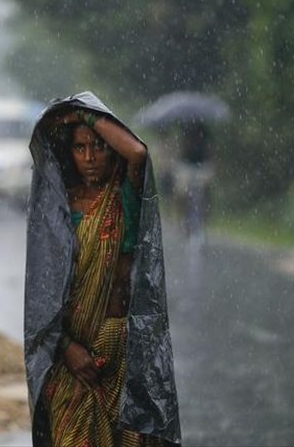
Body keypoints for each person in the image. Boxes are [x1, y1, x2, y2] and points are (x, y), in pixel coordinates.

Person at [25, 92, 181, 447]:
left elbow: (138, 152)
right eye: (80, 148)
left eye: (99, 147)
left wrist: (84, 115)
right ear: (70, 153)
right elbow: (44, 295)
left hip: (118, 351)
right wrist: (66, 348)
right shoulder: (58, 208)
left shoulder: (123, 197)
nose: (90, 157)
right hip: (70, 357)